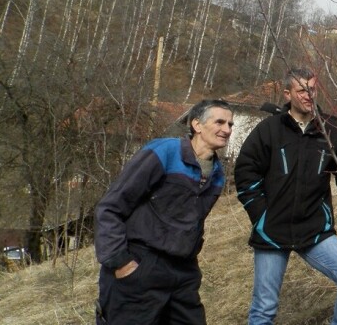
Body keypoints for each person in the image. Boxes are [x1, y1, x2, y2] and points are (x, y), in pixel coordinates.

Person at [235, 68, 337, 325]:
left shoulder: (332, 131)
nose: (309, 95)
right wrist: (260, 215)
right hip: (272, 230)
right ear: (287, 93)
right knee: (264, 308)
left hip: (314, 230)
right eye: (302, 90)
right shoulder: (269, 129)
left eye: (313, 89)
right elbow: (245, 172)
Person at [95, 99, 235, 325]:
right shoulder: (164, 152)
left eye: (230, 124)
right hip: (140, 265)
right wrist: (121, 262)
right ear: (197, 125)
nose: (227, 130)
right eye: (220, 122)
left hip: (183, 273)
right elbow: (111, 206)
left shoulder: (217, 174)